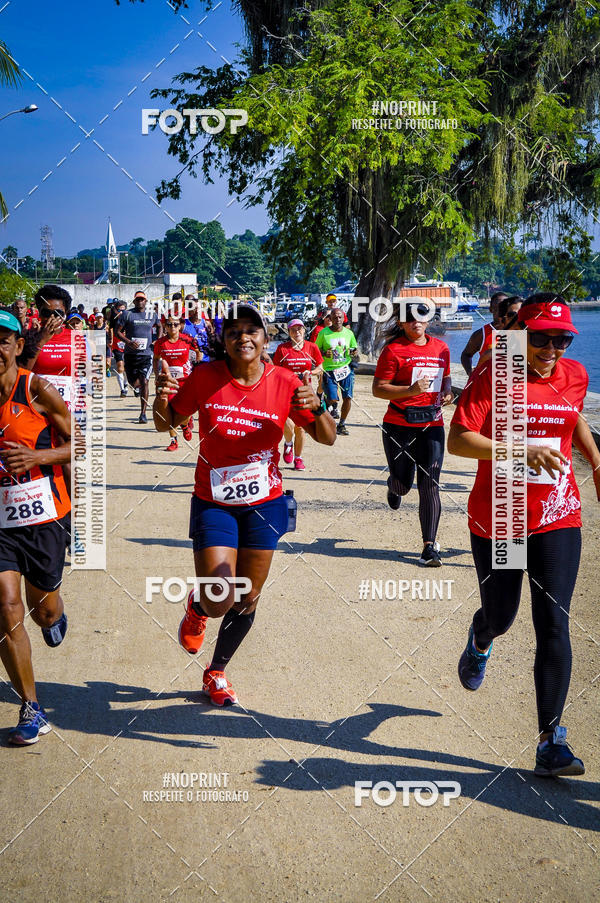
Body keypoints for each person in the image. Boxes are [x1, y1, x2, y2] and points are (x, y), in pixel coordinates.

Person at [152, 303, 336, 706]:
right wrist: (160, 398)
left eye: (251, 330)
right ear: (224, 341)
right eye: (233, 331)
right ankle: (199, 607)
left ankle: (216, 671)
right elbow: (166, 423)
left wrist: (317, 403)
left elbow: (327, 438)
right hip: (213, 500)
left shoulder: (285, 381)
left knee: (248, 595)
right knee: (220, 595)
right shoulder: (205, 377)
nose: (243, 337)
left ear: (265, 338)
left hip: (264, 503)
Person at [448, 293, 600, 777]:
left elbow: (571, 416)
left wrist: (596, 460)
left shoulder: (575, 375)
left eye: (561, 339)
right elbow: (457, 439)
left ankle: (550, 741)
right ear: (521, 336)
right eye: (541, 338)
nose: (551, 348)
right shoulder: (494, 373)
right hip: (501, 514)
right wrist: (520, 449)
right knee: (503, 616)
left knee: (553, 621)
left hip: (558, 512)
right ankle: (480, 636)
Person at [0, 306, 72, 744]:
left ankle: (53, 617)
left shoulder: (36, 389)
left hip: (44, 515)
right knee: (5, 608)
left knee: (42, 608)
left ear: (17, 346)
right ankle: (31, 706)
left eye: (2, 340)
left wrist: (37, 457)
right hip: (0, 523)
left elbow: (77, 445)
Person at [372, 301, 452, 566]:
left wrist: (448, 392)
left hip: (432, 425)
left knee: (429, 484)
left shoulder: (441, 347)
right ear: (402, 323)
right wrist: (410, 391)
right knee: (403, 485)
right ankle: (393, 486)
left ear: (428, 321)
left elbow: (446, 376)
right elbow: (379, 389)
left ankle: (429, 547)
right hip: (399, 425)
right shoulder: (393, 350)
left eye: (421, 317)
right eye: (410, 318)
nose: (416, 322)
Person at [273, 319, 323, 470]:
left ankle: (298, 458)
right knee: (288, 423)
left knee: (301, 428)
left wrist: (311, 372)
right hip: (286, 392)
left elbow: (320, 367)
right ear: (288, 332)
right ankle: (288, 443)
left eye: (300, 329)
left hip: (304, 392)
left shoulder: (311, 347)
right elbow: (275, 370)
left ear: (304, 330)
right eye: (293, 330)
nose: (297, 332)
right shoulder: (282, 349)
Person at [115, 291, 159, 423]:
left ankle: (143, 413)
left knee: (145, 381)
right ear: (134, 301)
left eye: (142, 299)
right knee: (133, 383)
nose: (140, 302)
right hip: (130, 354)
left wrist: (157, 340)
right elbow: (117, 331)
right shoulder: (127, 314)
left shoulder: (152, 314)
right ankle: (137, 387)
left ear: (146, 301)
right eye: (138, 300)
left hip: (146, 354)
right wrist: (128, 342)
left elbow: (160, 326)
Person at [152, 316, 195, 450]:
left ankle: (185, 425)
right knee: (169, 410)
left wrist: (196, 368)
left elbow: (198, 354)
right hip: (169, 381)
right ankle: (173, 441)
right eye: (169, 324)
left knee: (184, 410)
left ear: (180, 325)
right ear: (165, 326)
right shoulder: (160, 343)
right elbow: (156, 359)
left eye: (175, 324)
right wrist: (157, 374)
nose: (172, 327)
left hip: (185, 381)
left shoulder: (187, 340)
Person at [315, 307, 359, 434]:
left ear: (343, 318)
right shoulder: (324, 333)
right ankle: (323, 405)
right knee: (333, 399)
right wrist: (324, 353)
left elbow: (354, 351)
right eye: (334, 317)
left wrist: (354, 353)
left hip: (346, 369)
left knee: (348, 398)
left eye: (340, 317)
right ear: (330, 319)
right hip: (329, 370)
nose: (337, 320)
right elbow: (315, 351)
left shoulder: (349, 333)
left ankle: (342, 424)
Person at [460, 291, 508, 376]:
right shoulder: (482, 334)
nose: (501, 311)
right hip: (487, 384)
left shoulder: (518, 331)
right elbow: (466, 355)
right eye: (497, 308)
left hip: (512, 384)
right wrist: (470, 373)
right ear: (491, 309)